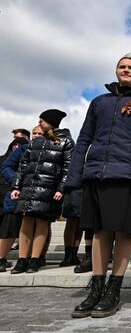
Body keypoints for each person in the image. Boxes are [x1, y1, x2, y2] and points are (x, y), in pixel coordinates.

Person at [65, 53, 131, 318]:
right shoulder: (100, 102)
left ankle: (114, 288)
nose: (126, 70)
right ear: (116, 71)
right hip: (97, 174)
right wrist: (75, 176)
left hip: (128, 174)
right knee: (99, 232)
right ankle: (96, 287)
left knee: (124, 232)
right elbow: (84, 138)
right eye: (122, 66)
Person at [10, 110, 74, 274]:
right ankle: (22, 260)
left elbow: (68, 169)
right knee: (27, 221)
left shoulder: (66, 142)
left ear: (51, 123)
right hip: (29, 187)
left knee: (42, 222)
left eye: (42, 121)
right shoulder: (34, 143)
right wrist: (16, 186)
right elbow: (23, 166)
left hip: (49, 189)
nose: (39, 124)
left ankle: (34, 260)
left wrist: (61, 189)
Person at [0, 137, 29, 272]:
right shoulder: (20, 152)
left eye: (38, 133)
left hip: (35, 194)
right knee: (9, 227)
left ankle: (31, 259)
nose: (36, 135)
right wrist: (17, 182)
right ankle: (1, 258)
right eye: (14, 144)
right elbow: (5, 167)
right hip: (14, 194)